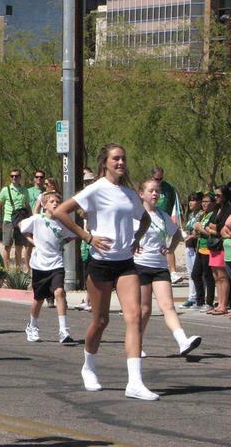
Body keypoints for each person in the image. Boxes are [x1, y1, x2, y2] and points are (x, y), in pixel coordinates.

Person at [53, 143, 158, 401]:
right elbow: (60, 211)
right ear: (105, 163)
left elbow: (144, 218)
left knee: (134, 317)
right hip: (101, 262)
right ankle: (88, 366)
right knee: (100, 321)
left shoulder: (129, 193)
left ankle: (135, 382)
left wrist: (137, 238)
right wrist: (87, 237)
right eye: (116, 159)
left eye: (123, 158)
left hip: (125, 263)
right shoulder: (96, 189)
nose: (121, 163)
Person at [135, 178, 201, 356]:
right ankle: (136, 343)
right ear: (142, 194)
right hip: (140, 266)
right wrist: (132, 246)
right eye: (151, 191)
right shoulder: (135, 215)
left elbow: (177, 234)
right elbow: (124, 235)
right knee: (144, 308)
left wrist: (170, 248)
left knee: (168, 306)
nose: (155, 194)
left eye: (157, 191)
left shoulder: (163, 216)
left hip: (159, 266)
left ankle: (182, 341)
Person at [20, 191, 76, 343]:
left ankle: (63, 331)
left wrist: (63, 243)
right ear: (44, 205)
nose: (55, 203)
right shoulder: (38, 219)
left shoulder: (63, 222)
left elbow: (73, 234)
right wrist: (32, 242)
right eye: (51, 201)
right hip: (39, 264)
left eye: (58, 201)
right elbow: (21, 226)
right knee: (38, 299)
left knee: (59, 292)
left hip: (56, 263)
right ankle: (32, 326)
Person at [0, 168, 31, 271]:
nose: (14, 178)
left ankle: (18, 271)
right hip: (8, 221)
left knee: (19, 246)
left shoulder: (25, 190)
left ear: (20, 177)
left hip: (21, 221)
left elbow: (27, 205)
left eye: (16, 176)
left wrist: (31, 219)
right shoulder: (5, 190)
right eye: (12, 176)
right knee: (7, 246)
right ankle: (7, 271)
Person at [150, 167, 182, 283]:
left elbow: (173, 203)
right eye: (156, 179)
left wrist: (171, 217)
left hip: (164, 219)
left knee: (168, 244)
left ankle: (173, 272)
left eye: (161, 179)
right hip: (150, 219)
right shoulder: (148, 187)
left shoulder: (168, 188)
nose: (159, 181)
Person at [205, 185, 231, 314]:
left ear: (225, 195)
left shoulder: (228, 209)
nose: (216, 197)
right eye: (215, 195)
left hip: (221, 246)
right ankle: (219, 303)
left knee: (222, 276)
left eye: (219, 195)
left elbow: (220, 228)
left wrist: (213, 229)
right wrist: (213, 229)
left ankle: (223, 305)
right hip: (213, 246)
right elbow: (209, 225)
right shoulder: (216, 209)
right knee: (216, 276)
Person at [191, 192, 217, 311]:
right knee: (195, 274)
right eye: (203, 201)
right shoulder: (203, 214)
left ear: (212, 203)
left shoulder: (213, 215)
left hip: (208, 249)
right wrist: (195, 231)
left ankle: (209, 302)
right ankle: (199, 301)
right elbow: (198, 232)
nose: (204, 204)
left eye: (207, 202)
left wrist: (199, 228)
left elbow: (211, 233)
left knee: (208, 276)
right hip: (200, 248)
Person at [180, 192, 203, 308]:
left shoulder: (201, 215)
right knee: (190, 273)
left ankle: (197, 297)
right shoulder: (190, 215)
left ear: (199, 202)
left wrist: (192, 236)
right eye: (190, 200)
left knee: (196, 274)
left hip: (195, 246)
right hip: (188, 246)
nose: (190, 202)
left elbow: (199, 231)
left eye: (193, 200)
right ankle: (191, 296)